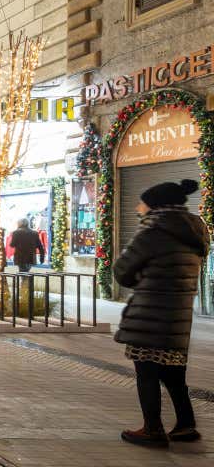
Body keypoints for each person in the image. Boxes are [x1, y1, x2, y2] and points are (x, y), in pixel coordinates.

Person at [114, 179, 209, 448]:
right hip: (179, 315)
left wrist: (143, 280)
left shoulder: (153, 231)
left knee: (146, 371)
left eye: (141, 201)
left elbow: (122, 270)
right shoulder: (196, 230)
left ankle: (152, 429)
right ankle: (185, 425)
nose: (137, 206)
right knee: (173, 372)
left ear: (154, 204)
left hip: (150, 314)